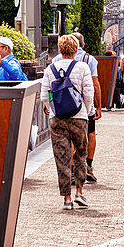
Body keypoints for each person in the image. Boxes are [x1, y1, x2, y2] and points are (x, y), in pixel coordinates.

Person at [41, 34, 94, 209]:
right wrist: (87, 110)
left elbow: (44, 95)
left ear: (60, 49)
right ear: (76, 49)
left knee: (61, 157)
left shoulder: (50, 69)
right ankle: (80, 191)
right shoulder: (83, 67)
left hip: (57, 118)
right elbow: (88, 93)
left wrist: (51, 108)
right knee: (80, 154)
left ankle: (67, 198)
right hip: (78, 117)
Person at [73, 32, 101, 182]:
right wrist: (98, 106)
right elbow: (95, 84)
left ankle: (72, 169)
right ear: (83, 45)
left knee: (69, 136)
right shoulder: (89, 59)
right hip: (85, 104)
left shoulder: (58, 59)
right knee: (91, 132)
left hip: (65, 104)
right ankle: (88, 166)